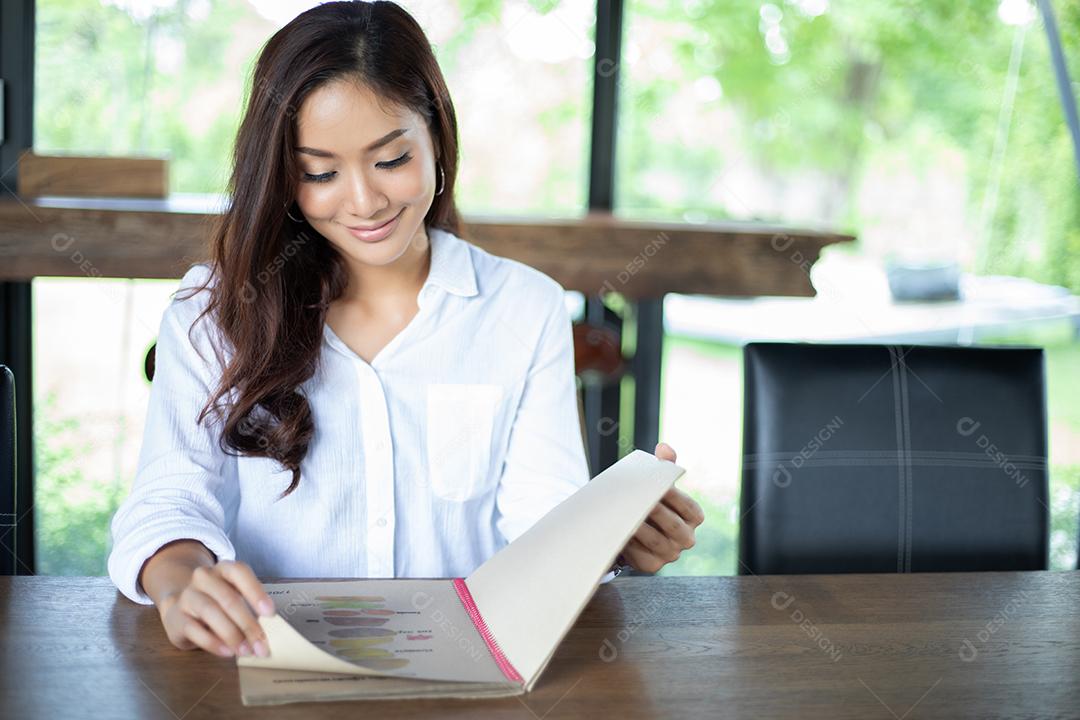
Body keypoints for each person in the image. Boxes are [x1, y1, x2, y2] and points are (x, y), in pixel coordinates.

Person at [107, 0, 704, 661]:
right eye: (320, 173)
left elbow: (542, 522)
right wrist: (181, 581)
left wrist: (608, 537)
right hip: (267, 661)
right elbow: (168, 502)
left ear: (437, 139)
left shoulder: (523, 307)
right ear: (281, 176)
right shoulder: (212, 308)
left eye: (391, 160)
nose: (364, 202)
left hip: (467, 668)